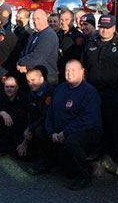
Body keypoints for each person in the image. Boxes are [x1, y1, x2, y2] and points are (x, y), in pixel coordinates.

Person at [82, 14, 118, 179]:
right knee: (97, 126)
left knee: (116, 129)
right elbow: (85, 69)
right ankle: (98, 159)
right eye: (102, 26)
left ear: (114, 28)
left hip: (113, 93)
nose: (104, 30)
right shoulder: (90, 45)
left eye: (108, 27)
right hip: (94, 92)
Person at [43, 60, 102, 190]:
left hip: (84, 132)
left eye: (73, 70)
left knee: (72, 141)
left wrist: (65, 132)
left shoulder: (89, 91)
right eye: (67, 71)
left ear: (82, 72)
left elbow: (88, 120)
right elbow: (50, 113)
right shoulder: (60, 88)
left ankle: (85, 175)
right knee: (41, 132)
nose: (69, 74)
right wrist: (51, 132)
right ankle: (48, 164)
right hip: (60, 132)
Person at [18, 69, 56, 168]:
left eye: (33, 80)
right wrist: (28, 130)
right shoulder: (32, 92)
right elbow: (30, 114)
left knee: (39, 131)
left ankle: (45, 162)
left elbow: (46, 116)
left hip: (50, 124)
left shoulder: (50, 92)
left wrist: (30, 128)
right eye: (28, 81)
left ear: (41, 79)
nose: (31, 84)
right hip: (37, 122)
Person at [16, 9, 59, 85]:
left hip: (46, 79)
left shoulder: (48, 35)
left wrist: (21, 63)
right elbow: (25, 51)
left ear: (45, 19)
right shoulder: (34, 34)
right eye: (34, 19)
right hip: (33, 77)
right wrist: (20, 63)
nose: (35, 21)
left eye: (38, 19)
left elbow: (38, 56)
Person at [57, 8, 84, 83]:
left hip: (71, 75)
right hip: (59, 73)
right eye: (61, 20)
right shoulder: (58, 34)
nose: (63, 22)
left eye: (66, 19)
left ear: (72, 21)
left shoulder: (77, 37)